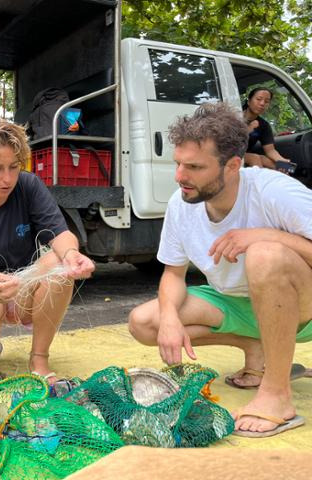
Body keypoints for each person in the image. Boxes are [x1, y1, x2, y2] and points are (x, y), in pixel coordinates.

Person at [128, 102, 312, 437]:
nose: (180, 176)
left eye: (195, 167)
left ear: (232, 166)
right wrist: (169, 316)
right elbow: (172, 274)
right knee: (145, 323)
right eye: (178, 164)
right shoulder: (181, 202)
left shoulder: (275, 191)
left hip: (303, 311)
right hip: (239, 304)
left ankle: (277, 395)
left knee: (265, 254)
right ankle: (254, 346)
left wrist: (265, 235)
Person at [0, 118, 95, 384]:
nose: (8, 178)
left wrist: (72, 255)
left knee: (60, 266)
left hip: (21, 284)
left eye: (14, 167)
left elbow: (60, 233)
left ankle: (39, 358)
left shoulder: (29, 186)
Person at [242, 87, 290, 170]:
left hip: (243, 154)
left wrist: (283, 161)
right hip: (226, 152)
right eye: (259, 99)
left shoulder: (263, 125)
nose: (262, 103)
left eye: (266, 101)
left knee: (278, 166)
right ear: (249, 101)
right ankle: (259, 182)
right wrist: (248, 129)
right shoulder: (234, 116)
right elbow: (229, 141)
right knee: (255, 158)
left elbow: (270, 151)